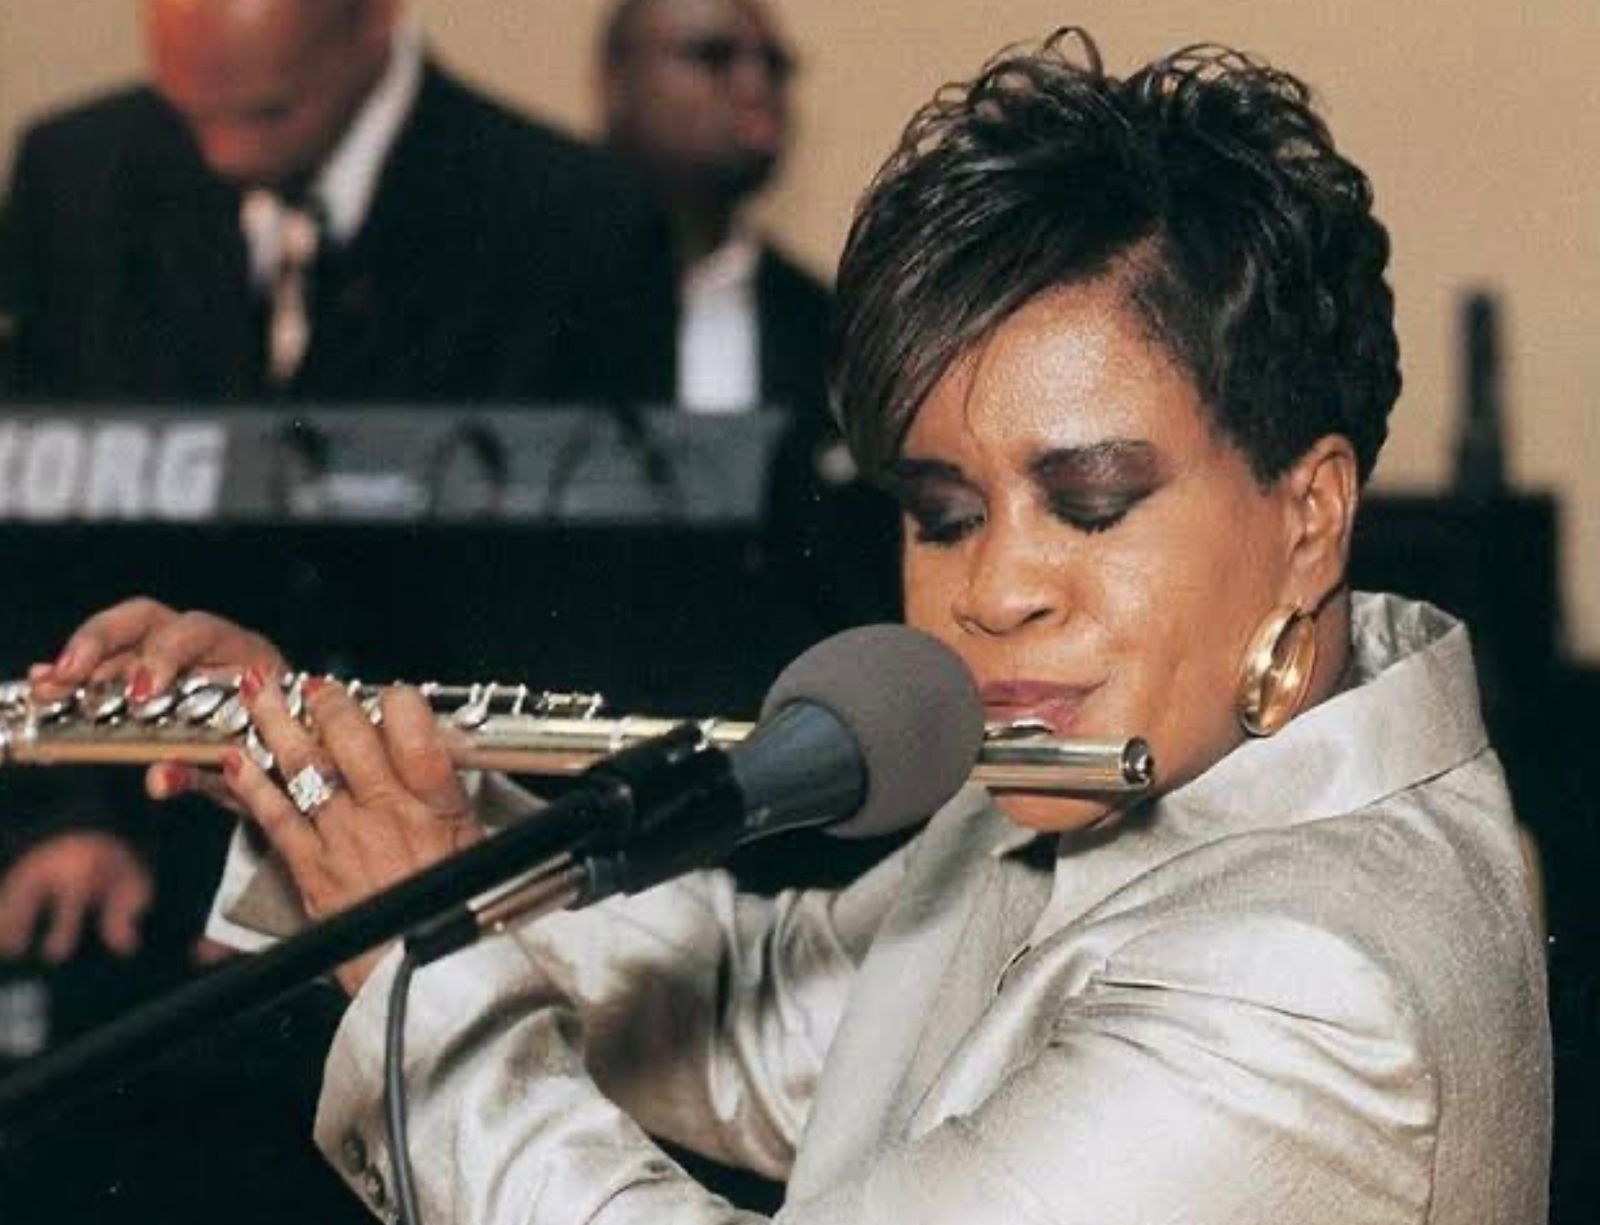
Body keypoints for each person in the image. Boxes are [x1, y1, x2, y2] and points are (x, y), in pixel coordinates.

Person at [33, 30, 1551, 1223]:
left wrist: (419, 962)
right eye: (943, 513)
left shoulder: (1307, 974)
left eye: (1088, 502)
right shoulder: (1126, 751)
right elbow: (760, 1014)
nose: (993, 591)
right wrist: (351, 789)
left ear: (1310, 513)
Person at [0, 0, 674, 403]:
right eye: (189, 111)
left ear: (376, 17)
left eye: (269, 112)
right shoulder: (73, 181)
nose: (222, 157)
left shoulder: (577, 220)